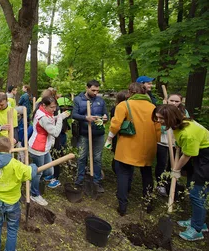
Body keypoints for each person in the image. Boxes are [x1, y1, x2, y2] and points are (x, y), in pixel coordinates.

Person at [153, 104, 209, 241]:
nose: (158, 120)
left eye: (161, 118)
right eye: (157, 117)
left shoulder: (188, 133)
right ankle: (197, 220)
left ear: (170, 117)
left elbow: (187, 155)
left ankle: (198, 229)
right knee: (192, 186)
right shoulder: (180, 122)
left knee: (197, 193)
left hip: (205, 158)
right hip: (198, 155)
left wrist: (176, 170)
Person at [106, 82, 160, 216]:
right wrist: (156, 142)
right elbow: (158, 129)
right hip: (148, 147)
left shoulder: (124, 105)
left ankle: (122, 206)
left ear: (130, 92)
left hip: (127, 147)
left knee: (123, 174)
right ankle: (148, 203)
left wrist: (109, 139)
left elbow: (115, 125)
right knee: (147, 174)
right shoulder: (153, 107)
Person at [0, 136, 38, 251]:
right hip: (12, 202)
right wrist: (34, 167)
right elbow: (30, 173)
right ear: (10, 149)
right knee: (12, 229)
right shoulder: (15, 164)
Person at [28, 96, 70, 206]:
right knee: (39, 172)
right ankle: (34, 194)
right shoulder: (42, 117)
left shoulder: (44, 112)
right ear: (44, 106)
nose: (54, 109)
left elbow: (51, 118)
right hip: (38, 148)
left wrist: (59, 116)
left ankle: (32, 178)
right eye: (52, 107)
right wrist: (60, 119)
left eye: (55, 107)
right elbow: (55, 133)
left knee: (49, 172)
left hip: (45, 147)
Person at [72, 80, 108, 192]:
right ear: (87, 88)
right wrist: (85, 118)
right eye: (93, 90)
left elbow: (105, 114)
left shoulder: (100, 101)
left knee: (97, 158)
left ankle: (96, 181)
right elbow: (74, 114)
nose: (95, 93)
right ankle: (79, 180)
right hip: (84, 133)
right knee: (82, 157)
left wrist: (105, 118)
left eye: (97, 90)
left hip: (98, 133)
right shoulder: (78, 99)